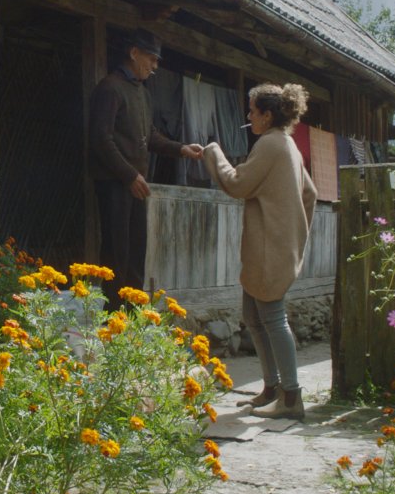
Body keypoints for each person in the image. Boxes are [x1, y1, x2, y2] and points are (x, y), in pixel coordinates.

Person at [201, 83, 317, 420]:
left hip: (270, 247)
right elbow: (309, 194)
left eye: (252, 111)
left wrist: (213, 152)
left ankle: (291, 397)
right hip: (274, 244)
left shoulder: (269, 144)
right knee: (254, 316)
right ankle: (271, 388)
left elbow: (237, 183)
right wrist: (295, 230)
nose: (248, 116)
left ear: (267, 116)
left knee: (273, 318)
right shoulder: (288, 145)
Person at [89, 30, 204, 310]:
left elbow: (150, 136)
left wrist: (181, 149)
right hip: (115, 183)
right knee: (117, 253)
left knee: (136, 252)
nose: (154, 67)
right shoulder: (110, 87)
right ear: (134, 53)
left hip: (135, 184)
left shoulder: (143, 93)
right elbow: (100, 139)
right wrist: (129, 175)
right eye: (151, 59)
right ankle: (113, 317)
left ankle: (132, 316)